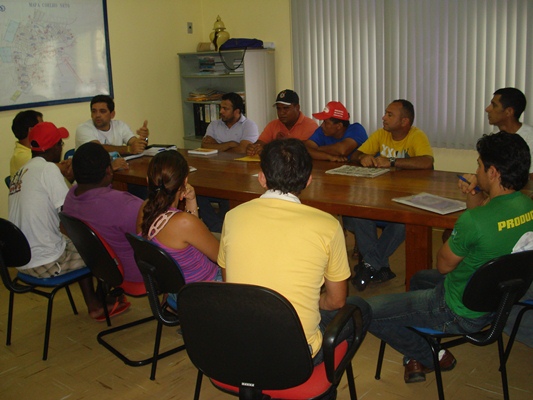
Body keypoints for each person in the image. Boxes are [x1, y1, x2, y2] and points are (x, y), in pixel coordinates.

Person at [366, 131, 533, 384]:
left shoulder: (473, 221)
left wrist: (466, 222)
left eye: (479, 165)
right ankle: (415, 356)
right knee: (419, 279)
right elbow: (488, 220)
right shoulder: (526, 204)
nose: (475, 170)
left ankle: (433, 355)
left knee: (367, 310)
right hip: (499, 301)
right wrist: (475, 192)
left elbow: (444, 265)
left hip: (458, 310)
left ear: (493, 172)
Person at [219, 138, 371, 365]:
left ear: (261, 178)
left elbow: (229, 281)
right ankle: (325, 381)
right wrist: (311, 301)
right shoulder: (328, 226)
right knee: (361, 308)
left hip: (239, 349)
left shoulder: (233, 217)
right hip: (296, 357)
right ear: (309, 180)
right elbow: (337, 301)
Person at [8, 122, 128, 321]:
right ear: (54, 147)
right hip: (46, 262)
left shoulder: (22, 171)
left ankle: (93, 303)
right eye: (60, 144)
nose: (61, 148)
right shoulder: (48, 169)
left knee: (77, 242)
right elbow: (72, 215)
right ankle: (101, 302)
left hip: (21, 260)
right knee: (108, 246)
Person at [344, 99, 434, 291]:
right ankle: (378, 267)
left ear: (404, 122)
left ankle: (369, 265)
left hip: (407, 200)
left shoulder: (416, 136)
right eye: (385, 113)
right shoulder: (381, 134)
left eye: (389, 115)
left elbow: (427, 162)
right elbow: (355, 155)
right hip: (381, 198)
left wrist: (392, 161)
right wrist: (364, 157)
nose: (383, 117)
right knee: (358, 215)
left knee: (403, 223)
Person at [137, 150, 222, 304]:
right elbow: (220, 257)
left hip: (175, 289)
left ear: (148, 180)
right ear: (185, 181)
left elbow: (193, 235)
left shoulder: (145, 209)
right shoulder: (183, 222)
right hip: (202, 291)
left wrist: (191, 200)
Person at [62, 142, 144, 285]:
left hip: (103, 270)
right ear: (108, 170)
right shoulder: (124, 204)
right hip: (136, 273)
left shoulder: (70, 197)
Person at [198, 92, 258, 232]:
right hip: (215, 173)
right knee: (198, 192)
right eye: (221, 108)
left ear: (237, 111)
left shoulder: (248, 125)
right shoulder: (214, 124)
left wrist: (217, 145)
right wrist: (230, 144)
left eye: (226, 108)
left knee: (228, 196)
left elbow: (242, 150)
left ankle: (221, 228)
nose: (221, 112)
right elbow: (204, 145)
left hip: (238, 176)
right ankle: (217, 227)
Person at [75, 94, 150, 171]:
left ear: (112, 114)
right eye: (94, 111)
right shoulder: (83, 128)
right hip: (90, 174)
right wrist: (128, 149)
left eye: (102, 111)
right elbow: (97, 149)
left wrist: (144, 139)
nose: (97, 115)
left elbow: (135, 143)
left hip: (113, 171)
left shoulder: (120, 125)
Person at [246, 89, 318, 156]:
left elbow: (301, 151)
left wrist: (273, 147)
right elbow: (260, 143)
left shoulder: (310, 125)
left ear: (297, 107)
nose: (281, 113)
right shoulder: (273, 124)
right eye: (278, 109)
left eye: (286, 108)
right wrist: (253, 148)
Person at [10, 110, 73, 182]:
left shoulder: (29, 151)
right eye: (41, 125)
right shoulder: (22, 156)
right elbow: (53, 168)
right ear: (31, 130)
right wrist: (68, 164)